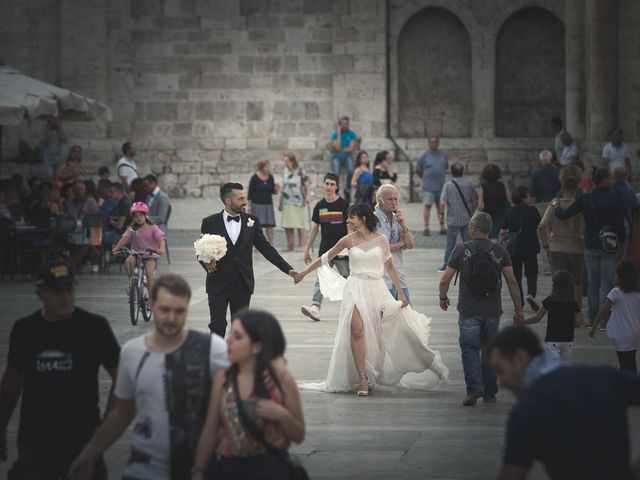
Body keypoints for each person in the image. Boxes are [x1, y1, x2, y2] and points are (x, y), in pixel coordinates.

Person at [69, 274, 230, 480]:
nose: (171, 318)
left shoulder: (212, 349)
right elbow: (123, 411)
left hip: (198, 468)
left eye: (179, 311)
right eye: (165, 310)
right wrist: (89, 454)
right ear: (152, 304)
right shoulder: (131, 353)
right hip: (144, 468)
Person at [293, 204, 448, 395]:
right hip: (355, 287)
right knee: (356, 330)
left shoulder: (381, 239)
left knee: (395, 330)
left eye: (351, 217)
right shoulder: (347, 240)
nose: (348, 220)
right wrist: (302, 273)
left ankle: (430, 364)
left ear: (363, 218)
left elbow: (390, 268)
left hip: (376, 288)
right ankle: (362, 378)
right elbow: (324, 258)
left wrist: (400, 293)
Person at [0, 260, 120, 480]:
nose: (65, 298)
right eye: (57, 292)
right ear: (40, 293)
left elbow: (121, 376)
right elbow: (12, 382)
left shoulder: (93, 327)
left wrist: (104, 430)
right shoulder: (25, 330)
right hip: (35, 441)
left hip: (83, 441)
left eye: (69, 289)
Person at [488, 326, 640, 480]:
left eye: (500, 370)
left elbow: (512, 474)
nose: (502, 382)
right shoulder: (603, 376)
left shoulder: (526, 411)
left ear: (520, 358)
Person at [192, 309, 305, 479]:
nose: (228, 341)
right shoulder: (223, 378)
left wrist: (281, 415)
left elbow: (298, 435)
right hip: (227, 468)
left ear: (257, 346)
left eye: (237, 337)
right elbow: (210, 429)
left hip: (269, 469)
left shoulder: (281, 380)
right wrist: (199, 470)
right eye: (230, 335)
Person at [438, 212, 523, 406]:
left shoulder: (461, 249)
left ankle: (474, 389)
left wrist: (443, 297)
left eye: (470, 224)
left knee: (469, 349)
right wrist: (518, 309)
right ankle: (490, 391)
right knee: (490, 349)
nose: (469, 227)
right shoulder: (500, 251)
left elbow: (445, 280)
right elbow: (512, 282)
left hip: (468, 309)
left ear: (474, 228)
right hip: (492, 309)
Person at [200, 183, 294, 337]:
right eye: (241, 198)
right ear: (228, 201)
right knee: (217, 325)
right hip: (218, 283)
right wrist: (207, 265)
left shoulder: (252, 221)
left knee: (240, 328)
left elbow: (266, 248)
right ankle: (216, 358)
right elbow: (201, 250)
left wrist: (288, 269)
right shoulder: (210, 222)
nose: (245, 202)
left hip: (242, 284)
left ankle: (237, 359)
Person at [554, 168, 626, 325]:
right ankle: (604, 319)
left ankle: (592, 317)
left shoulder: (585, 198)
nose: (612, 181)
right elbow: (620, 224)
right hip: (609, 245)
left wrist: (555, 205)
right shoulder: (613, 198)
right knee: (606, 281)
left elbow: (564, 214)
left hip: (590, 244)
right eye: (610, 178)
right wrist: (621, 242)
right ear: (604, 179)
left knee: (593, 282)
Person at [300, 173, 350, 322]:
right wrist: (307, 249)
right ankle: (315, 307)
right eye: (326, 183)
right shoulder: (319, 206)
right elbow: (314, 229)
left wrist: (348, 249)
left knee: (347, 279)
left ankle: (353, 307)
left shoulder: (344, 205)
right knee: (321, 279)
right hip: (325, 251)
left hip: (342, 251)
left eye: (332, 184)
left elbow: (350, 228)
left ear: (337, 186)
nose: (329, 186)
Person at [539, 174, 585, 309]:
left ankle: (559, 310)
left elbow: (542, 227)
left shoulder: (554, 206)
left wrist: (545, 244)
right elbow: (585, 227)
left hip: (557, 247)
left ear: (562, 189)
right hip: (576, 247)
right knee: (577, 283)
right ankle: (577, 315)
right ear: (576, 189)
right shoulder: (580, 205)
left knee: (558, 282)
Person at [517, 270, 582, 362]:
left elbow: (537, 318)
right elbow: (578, 323)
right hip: (568, 341)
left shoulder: (549, 301)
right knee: (564, 367)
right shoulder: (573, 302)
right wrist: (567, 325)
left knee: (553, 368)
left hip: (553, 340)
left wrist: (523, 322)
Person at [590, 261, 640, 373]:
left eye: (616, 273)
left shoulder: (616, 292)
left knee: (624, 363)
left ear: (622, 276)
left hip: (622, 334)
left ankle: (628, 386)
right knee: (630, 360)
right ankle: (632, 384)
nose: (614, 276)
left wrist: (593, 327)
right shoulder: (638, 294)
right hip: (635, 333)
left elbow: (603, 311)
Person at [500, 186, 542, 312]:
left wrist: (499, 245)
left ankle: (520, 301)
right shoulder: (533, 210)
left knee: (516, 276)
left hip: (514, 249)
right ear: (524, 198)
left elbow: (502, 231)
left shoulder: (509, 211)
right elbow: (540, 226)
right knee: (532, 273)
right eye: (528, 195)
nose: (530, 197)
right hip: (530, 247)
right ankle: (531, 294)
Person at [112, 201, 165, 291]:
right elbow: (124, 239)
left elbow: (161, 239)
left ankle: (151, 295)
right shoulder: (132, 229)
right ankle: (131, 282)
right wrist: (116, 248)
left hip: (150, 256)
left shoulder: (153, 227)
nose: (138, 218)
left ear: (145, 215)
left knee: (149, 273)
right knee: (128, 262)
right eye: (136, 216)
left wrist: (161, 249)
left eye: (140, 215)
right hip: (136, 254)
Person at [374, 184, 414, 303]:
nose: (394, 202)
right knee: (386, 319)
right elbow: (379, 249)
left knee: (408, 317)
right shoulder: (373, 220)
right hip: (382, 280)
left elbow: (410, 244)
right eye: (390, 199)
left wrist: (403, 225)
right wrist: (400, 243)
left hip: (399, 278)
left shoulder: (397, 218)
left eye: (396, 199)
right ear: (380, 201)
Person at [438, 162, 477, 272]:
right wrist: (472, 213)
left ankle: (447, 264)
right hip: (467, 219)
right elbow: (475, 200)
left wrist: (441, 214)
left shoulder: (448, 185)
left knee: (450, 243)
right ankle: (471, 262)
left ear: (451, 172)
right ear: (462, 171)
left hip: (453, 220)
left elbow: (442, 203)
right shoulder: (469, 184)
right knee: (468, 243)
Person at [415, 136, 448, 236]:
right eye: (432, 142)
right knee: (427, 206)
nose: (434, 144)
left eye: (435, 142)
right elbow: (418, 171)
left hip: (441, 187)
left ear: (438, 143)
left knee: (441, 208)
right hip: (428, 187)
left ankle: (442, 227)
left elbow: (446, 168)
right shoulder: (424, 156)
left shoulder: (443, 156)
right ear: (429, 143)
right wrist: (426, 178)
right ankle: (426, 227)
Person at [280, 152, 309, 252]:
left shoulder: (300, 170)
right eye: (284, 161)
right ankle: (290, 245)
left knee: (299, 223)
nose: (285, 163)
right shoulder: (285, 171)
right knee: (287, 224)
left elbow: (306, 184)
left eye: (287, 161)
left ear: (292, 161)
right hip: (287, 200)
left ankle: (303, 244)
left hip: (298, 200)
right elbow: (284, 185)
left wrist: (308, 196)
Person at [247, 159, 278, 245]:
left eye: (269, 166)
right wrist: (249, 207)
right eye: (266, 167)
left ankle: (271, 243)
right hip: (257, 205)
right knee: (257, 226)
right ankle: (258, 244)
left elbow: (272, 191)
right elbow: (250, 193)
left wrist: (276, 189)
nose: (268, 168)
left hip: (268, 204)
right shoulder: (254, 178)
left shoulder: (270, 177)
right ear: (261, 167)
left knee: (270, 225)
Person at [612, 167, 639, 263]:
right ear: (625, 177)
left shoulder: (609, 190)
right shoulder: (631, 193)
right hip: (624, 226)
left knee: (609, 255)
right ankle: (618, 277)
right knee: (621, 257)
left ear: (614, 176)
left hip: (609, 226)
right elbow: (636, 211)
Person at [478, 164, 510, 240]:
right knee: (502, 237)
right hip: (502, 214)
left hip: (489, 216)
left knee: (491, 238)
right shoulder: (502, 185)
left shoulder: (483, 187)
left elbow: (480, 206)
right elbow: (510, 200)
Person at [329, 116, 357, 201]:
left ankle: (347, 189)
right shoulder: (334, 135)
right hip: (336, 157)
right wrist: (338, 133)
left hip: (347, 156)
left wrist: (340, 149)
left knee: (351, 170)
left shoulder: (352, 134)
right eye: (343, 123)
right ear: (340, 125)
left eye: (347, 123)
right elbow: (337, 147)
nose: (345, 125)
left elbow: (350, 149)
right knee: (336, 173)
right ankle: (336, 191)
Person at [101, 182, 130, 247]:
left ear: (119, 192)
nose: (109, 194)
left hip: (122, 235)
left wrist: (110, 220)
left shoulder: (124, 204)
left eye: (112, 192)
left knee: (98, 237)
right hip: (122, 233)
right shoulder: (122, 202)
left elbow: (119, 226)